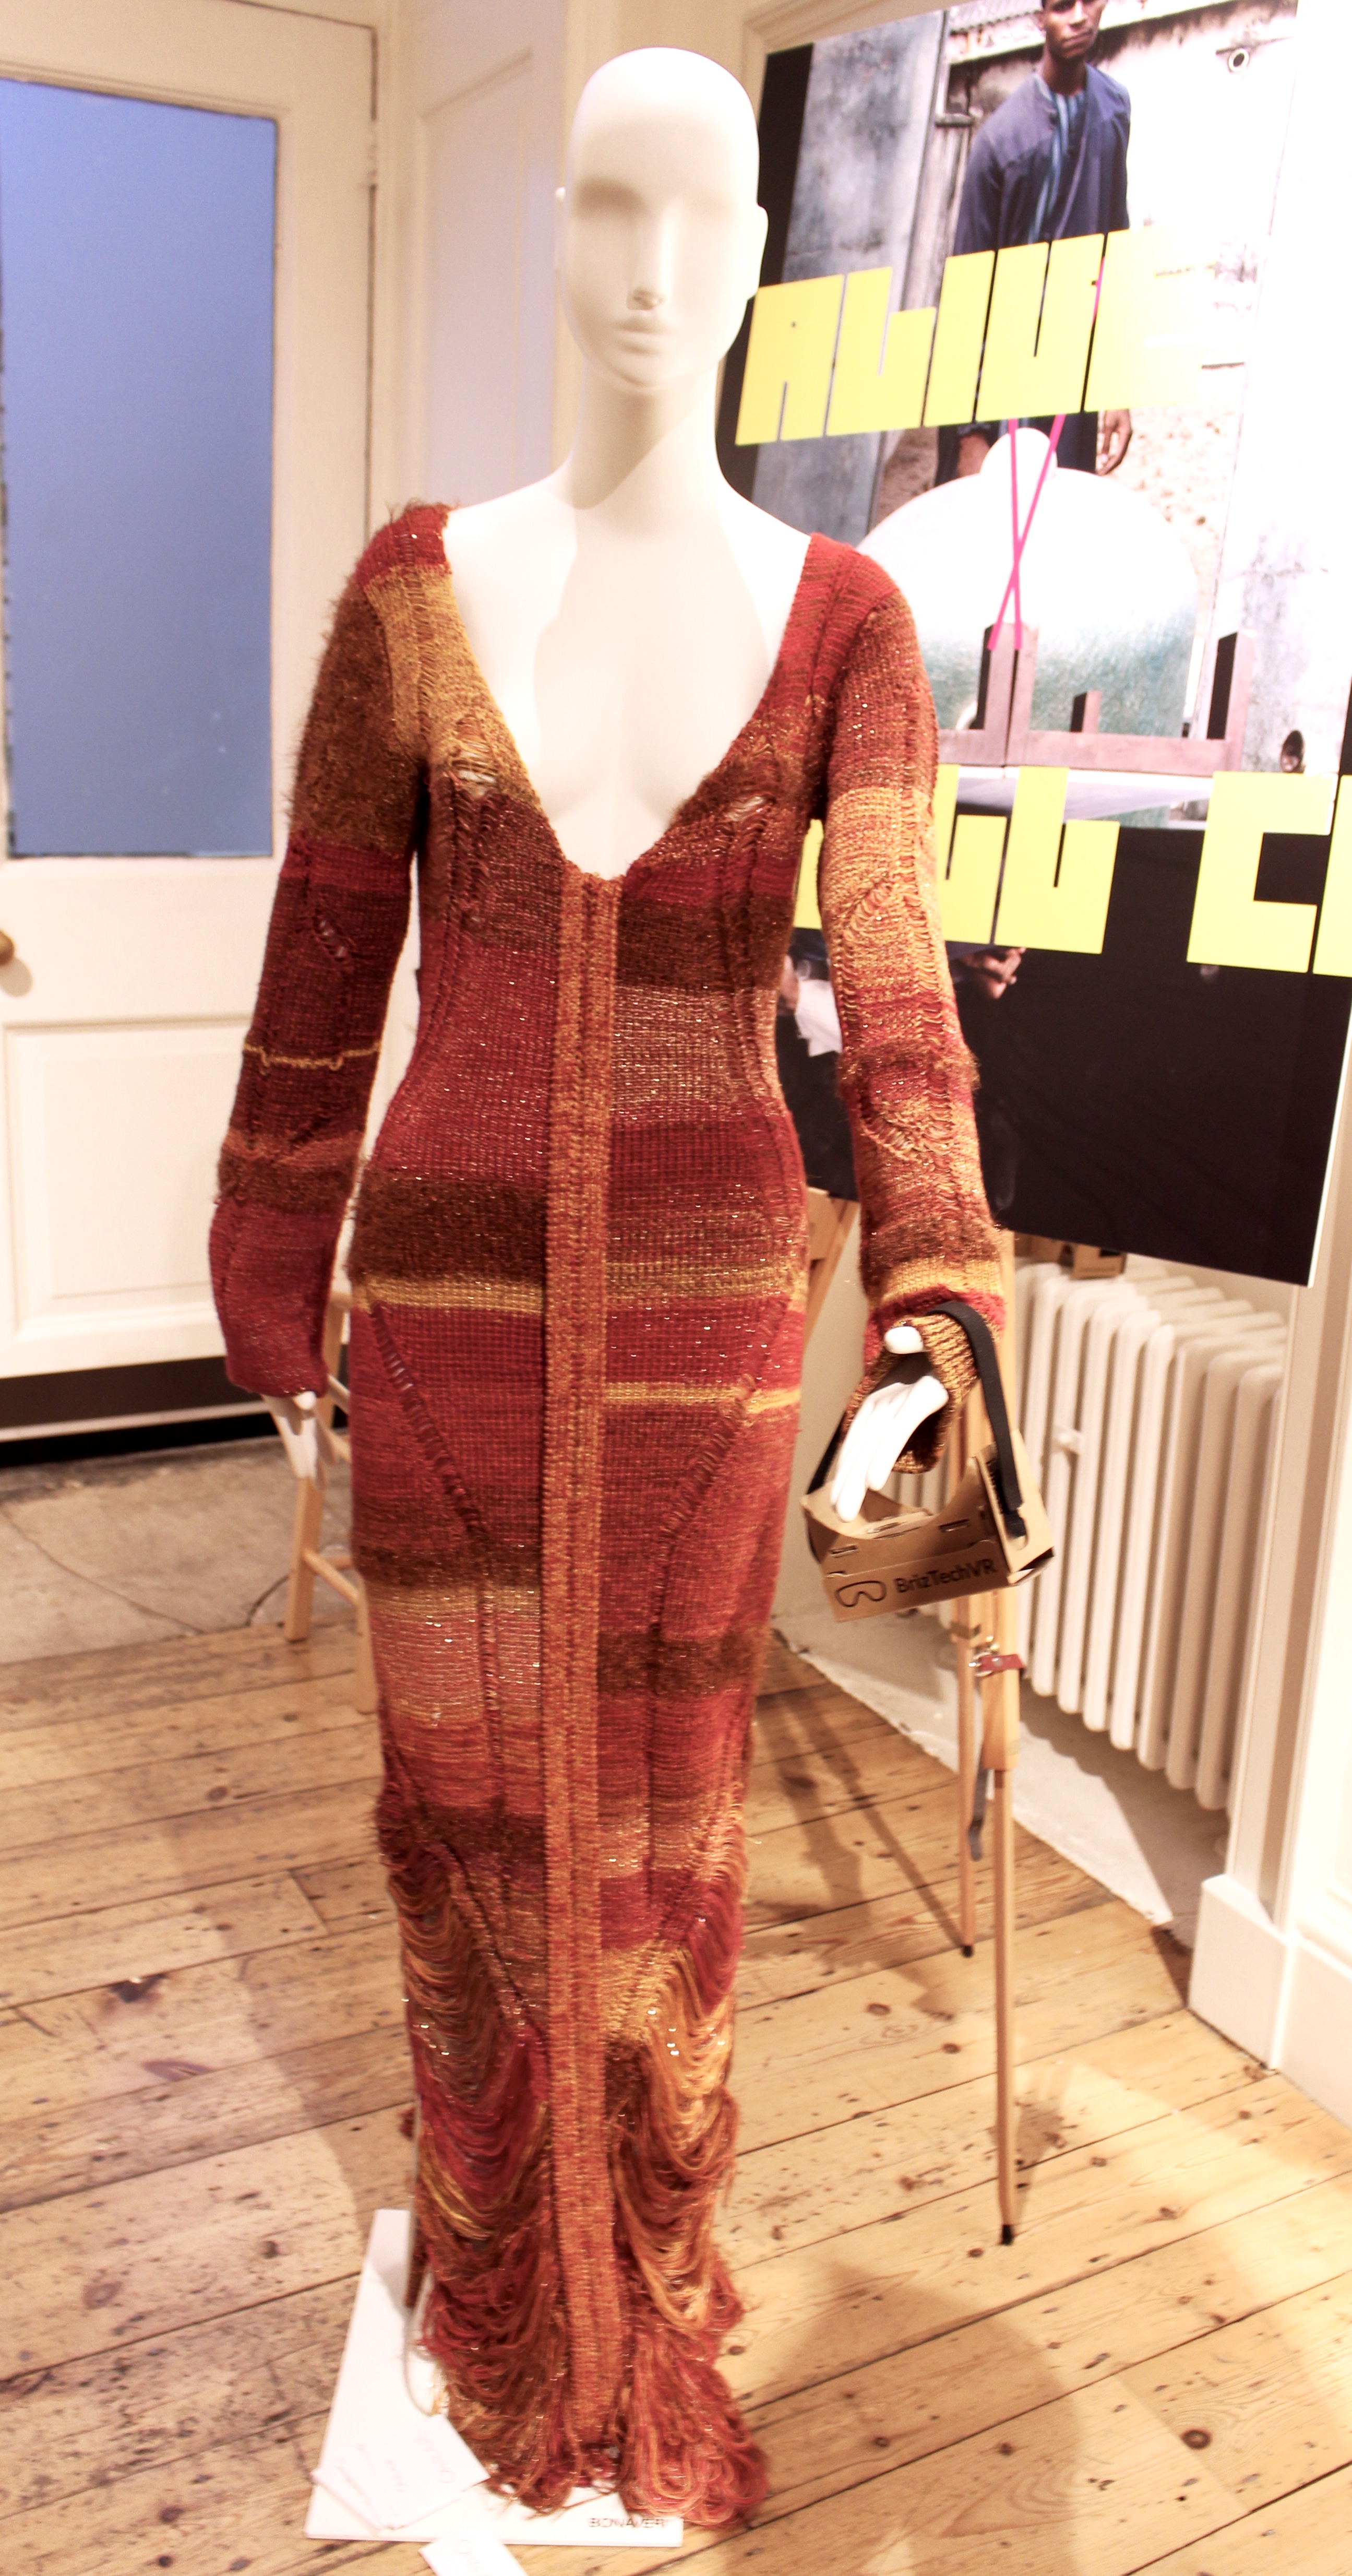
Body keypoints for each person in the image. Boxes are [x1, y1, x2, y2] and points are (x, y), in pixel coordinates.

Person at [210, 48, 1001, 2531]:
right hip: (441, 1320)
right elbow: (323, 961)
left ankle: (631, 2286)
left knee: (664, 1828)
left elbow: (898, 1006)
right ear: (550, 236)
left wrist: (941, 1325)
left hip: (707, 1344)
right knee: (461, 1822)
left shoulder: (850, 623)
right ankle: (488, 2272)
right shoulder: (411, 593)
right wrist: (268, 1255)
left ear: (757, 254)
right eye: (604, 211)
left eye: (698, 219)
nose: (649, 273)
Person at [942, 0, 1132, 483]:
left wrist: (1115, 385)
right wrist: (969, 433)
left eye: (1089, 1)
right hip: (1004, 368)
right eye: (1062, 5)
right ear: (1038, 17)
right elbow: (968, 288)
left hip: (1071, 366)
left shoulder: (1113, 109)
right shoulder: (1000, 141)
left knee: (1060, 506)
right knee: (998, 510)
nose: (1078, 17)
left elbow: (1115, 247)